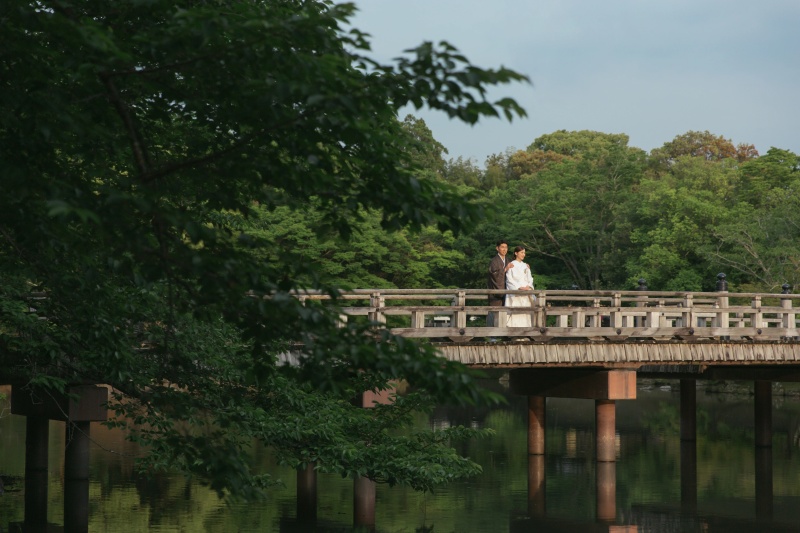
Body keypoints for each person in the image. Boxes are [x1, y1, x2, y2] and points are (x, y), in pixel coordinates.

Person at [505, 246, 535, 328]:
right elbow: (509, 280)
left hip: (526, 292)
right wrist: (519, 287)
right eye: (521, 252)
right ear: (516, 253)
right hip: (516, 292)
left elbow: (530, 278)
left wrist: (528, 286)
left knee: (526, 312)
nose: (523, 254)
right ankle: (514, 330)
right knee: (516, 310)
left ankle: (527, 329)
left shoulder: (526, 266)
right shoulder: (511, 265)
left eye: (524, 253)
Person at [487, 240, 511, 327]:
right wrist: (504, 270)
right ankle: (492, 336)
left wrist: (524, 266)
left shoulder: (508, 260)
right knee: (494, 312)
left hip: (506, 291)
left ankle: (504, 334)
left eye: (506, 247)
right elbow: (494, 274)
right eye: (502, 247)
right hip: (496, 291)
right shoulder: (494, 261)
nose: (504, 249)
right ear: (497, 248)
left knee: (505, 314)